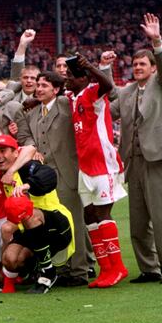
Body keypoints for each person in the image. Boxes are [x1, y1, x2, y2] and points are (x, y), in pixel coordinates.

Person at [109, 14, 162, 284]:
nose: (137, 67)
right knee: (138, 222)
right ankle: (149, 269)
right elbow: (109, 109)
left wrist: (157, 42)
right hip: (134, 161)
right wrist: (105, 69)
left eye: (142, 64)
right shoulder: (128, 91)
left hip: (159, 159)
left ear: (152, 67)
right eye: (134, 64)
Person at [16, 71, 91, 287]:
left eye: (44, 86)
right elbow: (24, 135)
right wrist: (33, 148)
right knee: (53, 224)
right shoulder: (31, 113)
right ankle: (60, 270)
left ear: (56, 89)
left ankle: (79, 270)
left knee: (74, 222)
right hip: (42, 180)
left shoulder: (66, 105)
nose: (38, 89)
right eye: (37, 85)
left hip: (67, 173)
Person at [65, 54, 128, 288]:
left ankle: (118, 267)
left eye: (71, 77)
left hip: (103, 164)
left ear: (83, 79)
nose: (67, 81)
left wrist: (90, 66)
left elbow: (108, 85)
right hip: (85, 167)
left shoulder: (93, 93)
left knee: (103, 215)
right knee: (89, 216)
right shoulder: (73, 97)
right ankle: (105, 269)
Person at [1, 194, 73, 295]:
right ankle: (20, 275)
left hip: (55, 231)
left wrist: (28, 184)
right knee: (9, 258)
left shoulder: (34, 216)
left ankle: (48, 272)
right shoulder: (15, 202)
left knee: (32, 220)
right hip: (24, 218)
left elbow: (48, 180)